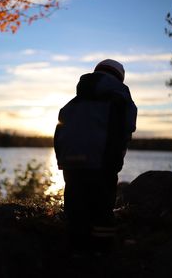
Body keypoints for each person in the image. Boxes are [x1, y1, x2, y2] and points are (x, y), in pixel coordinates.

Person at [54, 59, 137, 253]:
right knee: (102, 208)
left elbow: (59, 132)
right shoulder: (121, 98)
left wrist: (62, 159)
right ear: (119, 78)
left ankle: (75, 250)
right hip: (102, 162)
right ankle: (101, 253)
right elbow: (128, 128)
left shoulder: (72, 103)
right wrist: (115, 159)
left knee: (75, 207)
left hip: (71, 162)